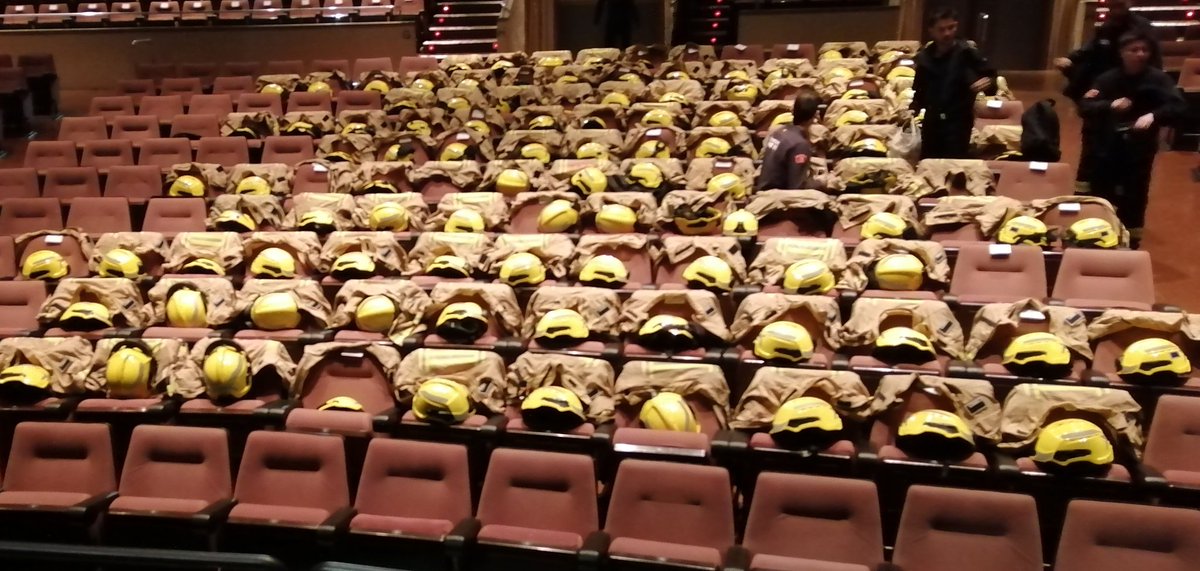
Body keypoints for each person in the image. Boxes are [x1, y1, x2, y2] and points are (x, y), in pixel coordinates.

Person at [1078, 31, 1184, 248]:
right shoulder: (1107, 79)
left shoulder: (1158, 79)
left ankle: (1131, 242)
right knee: (1101, 193)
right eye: (1134, 50)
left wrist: (1154, 115)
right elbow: (1085, 106)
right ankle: (1097, 237)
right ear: (1122, 53)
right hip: (1106, 146)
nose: (1140, 54)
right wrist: (1109, 105)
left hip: (1139, 148)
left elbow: (1178, 106)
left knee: (1135, 196)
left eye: (1144, 50)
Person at [1055, 0, 1160, 191]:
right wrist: (1070, 59)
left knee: (1124, 155)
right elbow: (1090, 50)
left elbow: (1154, 69)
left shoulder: (1143, 28)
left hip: (1131, 99)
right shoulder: (1107, 26)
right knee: (1091, 148)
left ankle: (1119, 202)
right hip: (1103, 94)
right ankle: (1085, 197)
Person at [911, 8, 998, 159]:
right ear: (931, 31)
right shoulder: (924, 57)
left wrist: (988, 82)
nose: (947, 33)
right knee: (928, 163)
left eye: (951, 28)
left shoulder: (968, 53)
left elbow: (991, 77)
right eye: (941, 29)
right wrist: (914, 108)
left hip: (958, 121)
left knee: (953, 164)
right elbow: (920, 89)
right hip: (932, 121)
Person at [757, 87, 826, 191]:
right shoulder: (800, 144)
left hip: (765, 191)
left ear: (793, 112)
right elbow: (796, 187)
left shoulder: (779, 132)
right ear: (815, 115)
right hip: (779, 198)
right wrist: (821, 182)